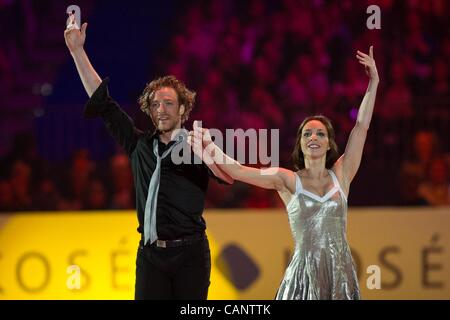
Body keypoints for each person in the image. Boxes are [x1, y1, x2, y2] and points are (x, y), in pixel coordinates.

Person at [189, 46, 379, 299]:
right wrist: (211, 147)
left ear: (329, 143)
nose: (313, 137)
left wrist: (373, 82)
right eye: (307, 133)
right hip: (303, 276)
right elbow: (237, 170)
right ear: (300, 142)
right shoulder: (287, 179)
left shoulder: (341, 175)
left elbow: (361, 126)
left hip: (339, 275)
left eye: (320, 133)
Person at [64, 16, 233, 299]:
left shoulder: (197, 146)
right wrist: (77, 52)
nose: (162, 109)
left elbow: (227, 176)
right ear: (150, 111)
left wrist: (211, 153)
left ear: (182, 110)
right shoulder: (139, 144)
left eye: (169, 103)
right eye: (155, 105)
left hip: (190, 255)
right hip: (150, 256)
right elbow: (104, 103)